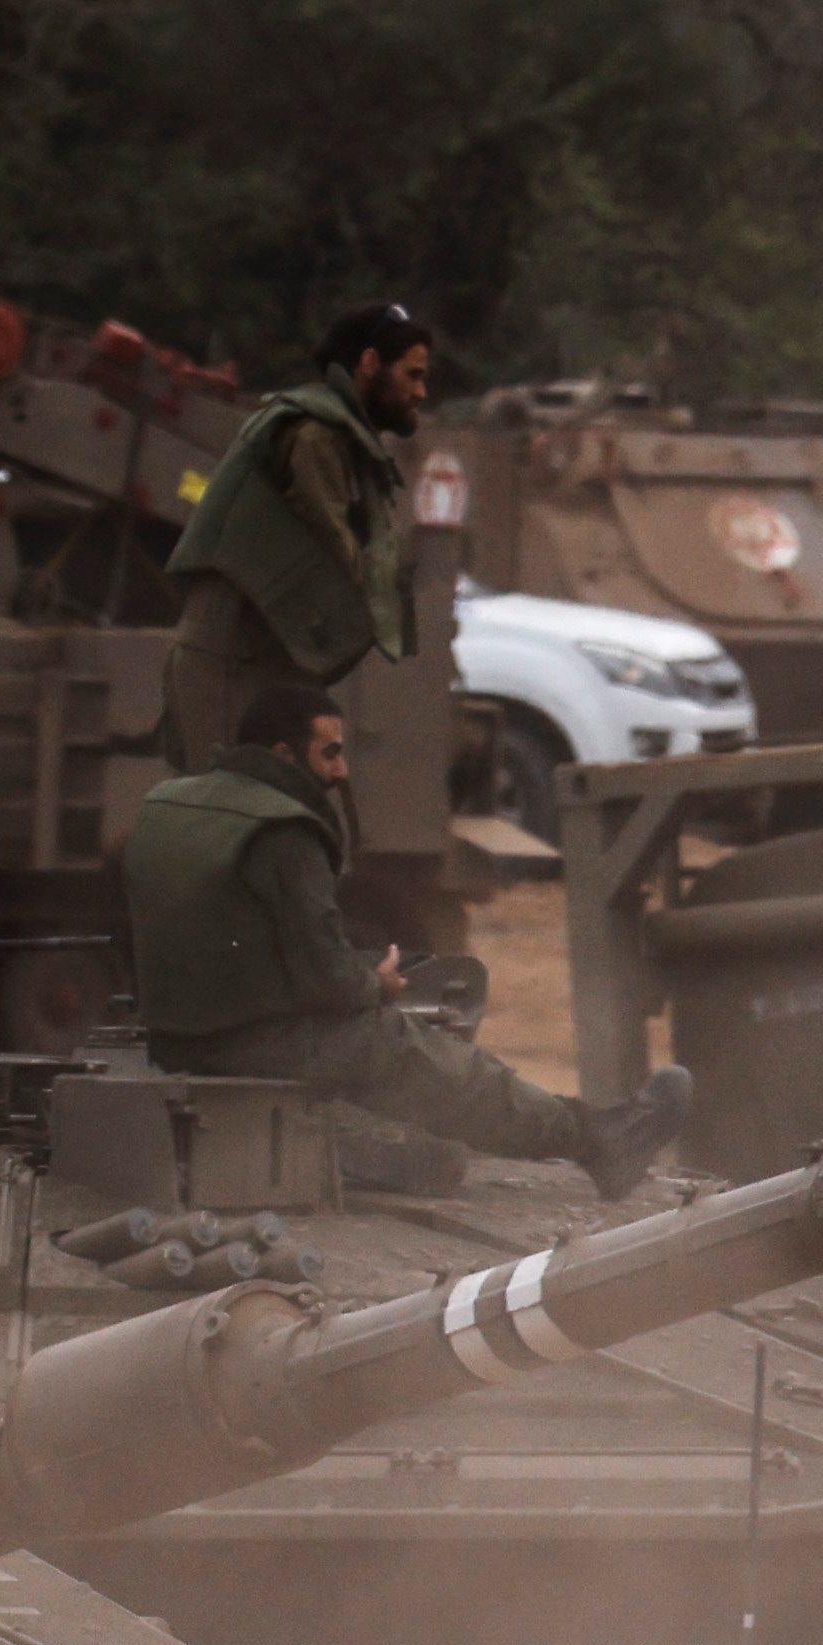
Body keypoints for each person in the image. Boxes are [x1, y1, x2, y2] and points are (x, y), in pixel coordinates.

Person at [118, 696, 689, 1180]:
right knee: (427, 1058)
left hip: (175, 1038)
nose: (341, 772)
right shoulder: (284, 831)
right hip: (252, 1042)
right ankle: (601, 1143)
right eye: (330, 753)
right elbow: (331, 982)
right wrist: (378, 985)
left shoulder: (168, 802)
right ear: (284, 756)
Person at [165, 302, 436, 767]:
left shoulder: (341, 436)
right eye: (411, 375)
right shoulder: (316, 434)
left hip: (269, 660)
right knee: (234, 799)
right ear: (370, 363)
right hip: (231, 661)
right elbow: (339, 550)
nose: (421, 392)